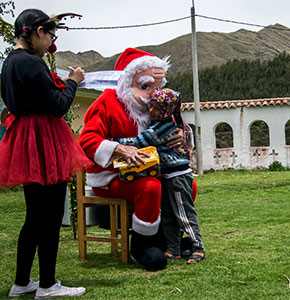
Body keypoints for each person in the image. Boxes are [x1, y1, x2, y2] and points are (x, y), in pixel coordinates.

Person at [0, 8, 90, 298]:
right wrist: (74, 80)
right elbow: (59, 105)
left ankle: (22, 282)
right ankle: (48, 285)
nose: (52, 40)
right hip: (43, 140)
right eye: (51, 34)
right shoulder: (32, 63)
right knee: (50, 216)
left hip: (24, 139)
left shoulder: (9, 63)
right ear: (38, 31)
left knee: (33, 216)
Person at [78, 48, 187, 270]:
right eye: (145, 86)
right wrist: (118, 148)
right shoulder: (107, 102)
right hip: (110, 175)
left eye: (157, 87)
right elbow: (87, 140)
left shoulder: (158, 107)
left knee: (186, 184)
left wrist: (183, 136)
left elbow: (178, 125)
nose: (152, 94)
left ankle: (168, 240)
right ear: (127, 82)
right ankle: (142, 246)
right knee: (150, 188)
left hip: (152, 169)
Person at [112, 88, 205, 264]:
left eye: (155, 108)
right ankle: (173, 250)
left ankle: (198, 248)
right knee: (169, 215)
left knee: (183, 214)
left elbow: (140, 142)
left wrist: (113, 142)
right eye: (151, 106)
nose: (150, 110)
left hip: (178, 176)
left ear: (166, 111)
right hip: (169, 176)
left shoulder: (163, 127)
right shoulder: (162, 123)